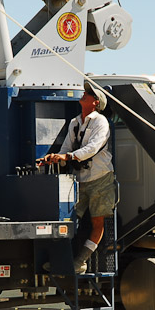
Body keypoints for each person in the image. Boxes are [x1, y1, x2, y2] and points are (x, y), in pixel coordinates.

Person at [42, 81, 115, 274]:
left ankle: (80, 261)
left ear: (96, 102)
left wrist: (67, 156)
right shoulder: (75, 122)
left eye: (89, 93)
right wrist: (55, 157)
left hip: (101, 178)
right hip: (80, 180)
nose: (84, 94)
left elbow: (92, 148)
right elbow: (66, 148)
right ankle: (62, 261)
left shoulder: (100, 122)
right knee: (69, 221)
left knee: (97, 222)